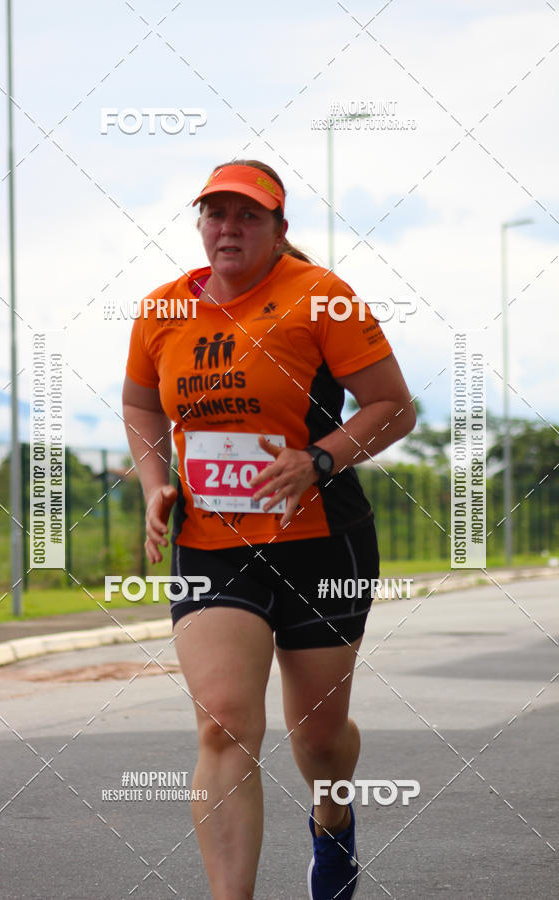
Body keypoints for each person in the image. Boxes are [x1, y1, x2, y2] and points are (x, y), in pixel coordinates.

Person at [122, 160, 416, 899]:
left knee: (317, 739)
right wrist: (158, 482)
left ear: (280, 230)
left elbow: (393, 407)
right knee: (223, 724)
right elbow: (139, 407)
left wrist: (320, 459)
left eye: (248, 216)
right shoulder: (162, 313)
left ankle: (333, 813)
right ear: (200, 225)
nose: (229, 228)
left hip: (321, 542)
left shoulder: (322, 299)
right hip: (212, 546)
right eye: (215, 214)